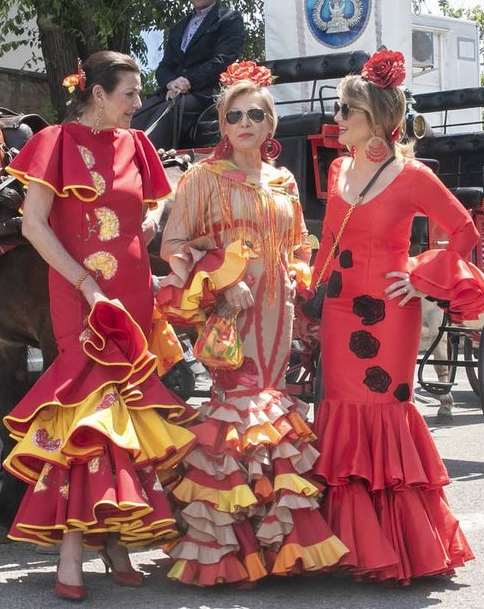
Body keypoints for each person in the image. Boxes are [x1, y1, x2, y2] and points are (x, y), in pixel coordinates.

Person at [2, 51, 198, 602]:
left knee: (125, 416)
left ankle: (111, 538)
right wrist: (85, 283)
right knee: (88, 412)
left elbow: (149, 211)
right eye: (130, 94)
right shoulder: (57, 142)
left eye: (138, 94)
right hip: (80, 296)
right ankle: (73, 543)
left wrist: (160, 216)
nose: (139, 104)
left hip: (132, 294)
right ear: (97, 94)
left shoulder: (138, 146)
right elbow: (33, 226)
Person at [307, 49, 484, 584]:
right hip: (341, 310)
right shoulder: (340, 167)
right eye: (340, 109)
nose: (338, 119)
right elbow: (328, 242)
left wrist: (418, 274)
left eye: (348, 111)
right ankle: (346, 545)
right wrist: (313, 296)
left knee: (383, 411)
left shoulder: (412, 175)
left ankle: (397, 548)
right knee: (340, 409)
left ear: (378, 120)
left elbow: (464, 231)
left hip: (390, 315)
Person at [158, 61, 348, 587]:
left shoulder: (284, 181)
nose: (244, 122)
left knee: (272, 399)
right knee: (237, 408)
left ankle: (276, 543)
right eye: (234, 115)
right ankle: (227, 551)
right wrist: (218, 279)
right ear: (223, 126)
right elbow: (173, 246)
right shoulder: (201, 179)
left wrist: (304, 281)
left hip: (278, 309)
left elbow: (297, 245)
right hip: (229, 312)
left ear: (270, 126)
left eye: (255, 115)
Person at [131, 0, 246, 151]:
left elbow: (222, 61)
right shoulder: (179, 27)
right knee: (137, 112)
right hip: (173, 91)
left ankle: (147, 161)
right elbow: (165, 66)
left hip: (206, 93)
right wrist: (170, 82)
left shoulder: (229, 20)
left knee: (170, 112)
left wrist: (188, 81)